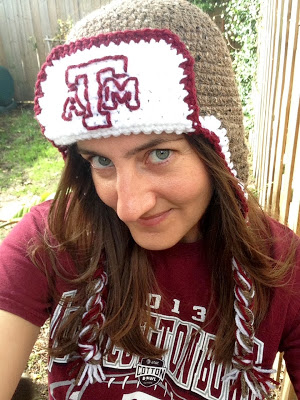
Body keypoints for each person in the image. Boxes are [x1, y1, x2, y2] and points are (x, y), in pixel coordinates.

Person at [0, 0, 299, 399]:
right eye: (101, 161)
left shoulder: (279, 266)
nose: (128, 207)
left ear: (219, 154)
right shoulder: (53, 238)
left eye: (159, 154)